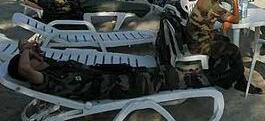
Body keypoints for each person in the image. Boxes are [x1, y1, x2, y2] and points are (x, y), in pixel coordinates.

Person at [8, 41, 209, 101]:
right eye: (33, 57)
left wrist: (30, 49)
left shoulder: (50, 64)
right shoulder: (44, 80)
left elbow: (29, 57)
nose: (37, 56)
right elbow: (24, 67)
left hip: (115, 74)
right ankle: (205, 79)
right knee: (166, 78)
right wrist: (25, 50)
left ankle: (194, 75)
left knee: (161, 70)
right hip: (115, 88)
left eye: (34, 54)